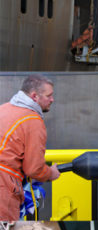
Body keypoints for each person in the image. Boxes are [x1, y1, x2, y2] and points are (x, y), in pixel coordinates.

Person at [0, 75, 60, 220]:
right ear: (34, 96)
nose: (52, 99)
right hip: (3, 185)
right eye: (49, 96)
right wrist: (51, 173)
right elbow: (34, 169)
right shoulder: (32, 120)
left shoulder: (4, 109)